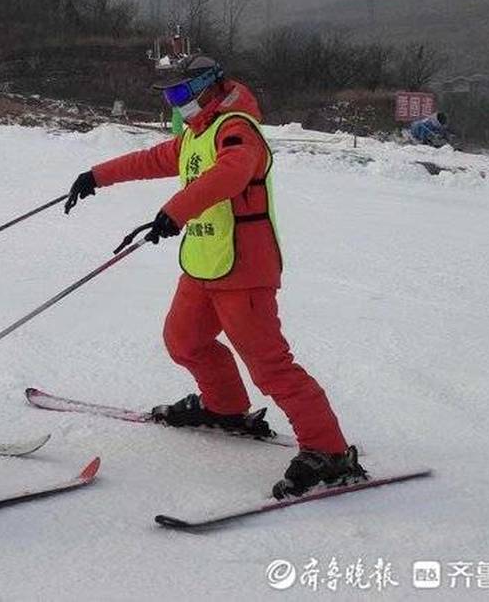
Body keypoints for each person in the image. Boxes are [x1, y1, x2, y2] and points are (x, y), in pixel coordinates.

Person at [64, 55, 366, 500]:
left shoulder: (237, 129)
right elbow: (152, 159)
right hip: (204, 264)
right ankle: (224, 408)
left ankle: (329, 451)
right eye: (169, 96)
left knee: (270, 366)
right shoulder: (196, 135)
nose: (175, 103)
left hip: (245, 269)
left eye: (180, 94)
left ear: (208, 87)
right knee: (184, 340)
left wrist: (175, 211)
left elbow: (233, 173)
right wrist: (96, 176)